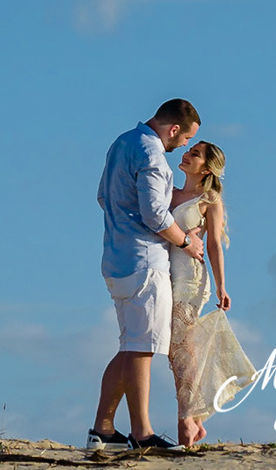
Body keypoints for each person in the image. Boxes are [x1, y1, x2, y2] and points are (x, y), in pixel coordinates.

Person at [87, 99, 203, 454]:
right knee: (143, 347)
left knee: (129, 344)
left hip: (115, 257)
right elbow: (155, 215)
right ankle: (142, 432)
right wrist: (187, 242)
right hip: (144, 262)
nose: (183, 145)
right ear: (173, 130)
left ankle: (103, 428)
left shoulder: (122, 142)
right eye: (186, 138)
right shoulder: (152, 154)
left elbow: (103, 197)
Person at [167, 140, 256, 446]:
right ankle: (194, 417)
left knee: (180, 352)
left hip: (192, 280)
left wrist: (221, 286)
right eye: (188, 150)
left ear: (205, 168)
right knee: (176, 351)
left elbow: (215, 244)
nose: (186, 154)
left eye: (194, 154)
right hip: (166, 276)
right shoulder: (170, 190)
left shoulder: (209, 199)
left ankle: (188, 421)